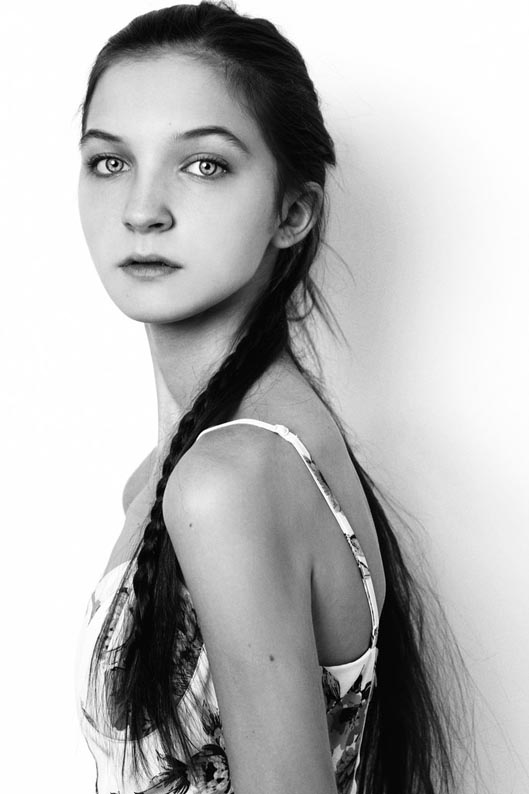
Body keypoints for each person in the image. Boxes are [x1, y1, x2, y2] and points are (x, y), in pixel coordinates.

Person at [74, 3, 471, 793]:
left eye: (203, 165)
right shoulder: (189, 470)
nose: (142, 210)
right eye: (110, 162)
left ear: (292, 212)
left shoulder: (231, 480)